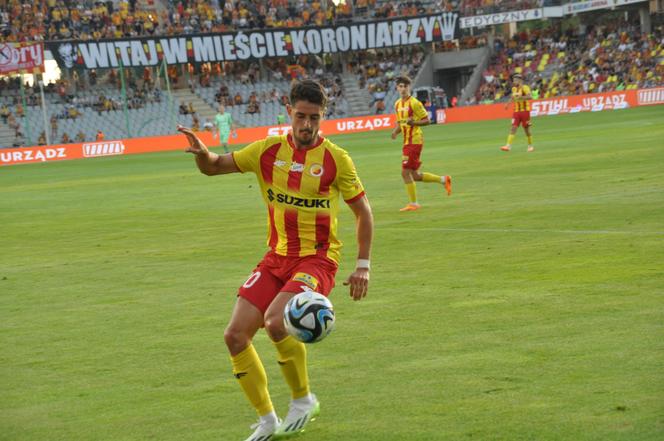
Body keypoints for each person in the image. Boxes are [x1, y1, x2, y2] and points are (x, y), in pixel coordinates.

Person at [178, 79, 373, 441]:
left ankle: (303, 400)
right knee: (235, 336)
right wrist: (204, 156)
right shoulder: (267, 152)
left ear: (323, 116)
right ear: (289, 112)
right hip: (276, 257)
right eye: (300, 116)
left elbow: (363, 212)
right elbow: (215, 166)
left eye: (314, 118)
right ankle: (267, 420)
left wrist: (362, 265)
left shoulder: (336, 159)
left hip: (317, 259)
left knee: (275, 320)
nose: (306, 125)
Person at [391, 75, 451, 212]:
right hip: (407, 141)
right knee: (415, 175)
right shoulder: (397, 104)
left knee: (405, 173)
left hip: (415, 141)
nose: (403, 89)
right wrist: (396, 131)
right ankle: (444, 180)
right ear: (397, 88)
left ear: (409, 87)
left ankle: (414, 203)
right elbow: (402, 123)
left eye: (405, 86)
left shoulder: (415, 103)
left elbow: (427, 120)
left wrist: (414, 123)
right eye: (400, 86)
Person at [501, 73, 535, 152]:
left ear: (520, 80)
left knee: (526, 130)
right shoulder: (514, 89)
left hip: (525, 111)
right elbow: (513, 98)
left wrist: (521, 97)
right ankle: (508, 146)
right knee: (513, 128)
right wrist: (507, 104)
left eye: (515, 80)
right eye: (513, 80)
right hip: (516, 111)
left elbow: (530, 97)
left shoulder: (525, 87)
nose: (514, 82)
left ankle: (530, 146)